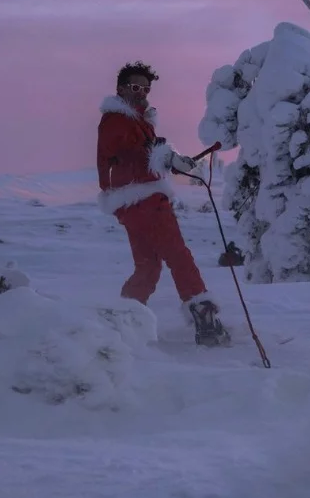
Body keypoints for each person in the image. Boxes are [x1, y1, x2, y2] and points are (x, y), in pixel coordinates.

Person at [97, 61, 231, 346]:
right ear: (121, 89)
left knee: (148, 266)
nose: (141, 93)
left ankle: (123, 320)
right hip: (145, 200)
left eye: (146, 88)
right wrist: (166, 157)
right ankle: (205, 320)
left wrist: (169, 160)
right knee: (178, 257)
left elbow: (141, 158)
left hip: (131, 204)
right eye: (135, 87)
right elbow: (132, 153)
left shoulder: (135, 121)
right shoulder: (117, 121)